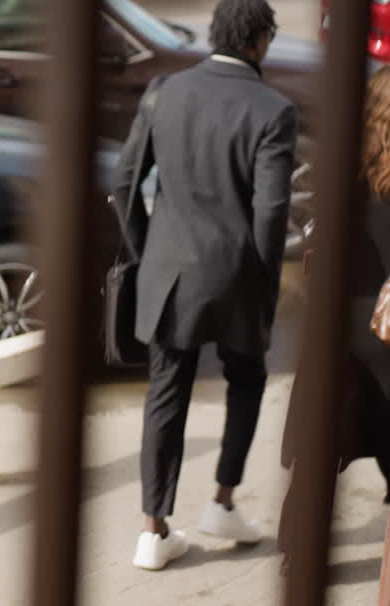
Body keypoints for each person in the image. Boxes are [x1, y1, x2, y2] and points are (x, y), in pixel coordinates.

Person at [112, 0, 297, 570]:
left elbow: (124, 181)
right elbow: (271, 212)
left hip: (169, 274)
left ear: (217, 34)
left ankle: (153, 531)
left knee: (166, 394)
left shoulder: (164, 91)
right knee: (248, 379)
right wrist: (266, 280)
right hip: (239, 275)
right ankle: (222, 500)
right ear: (260, 40)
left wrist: (147, 252)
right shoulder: (274, 110)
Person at [278, 66, 390, 564]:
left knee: (322, 445)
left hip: (342, 324)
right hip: (386, 326)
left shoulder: (343, 167)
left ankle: (296, 549)